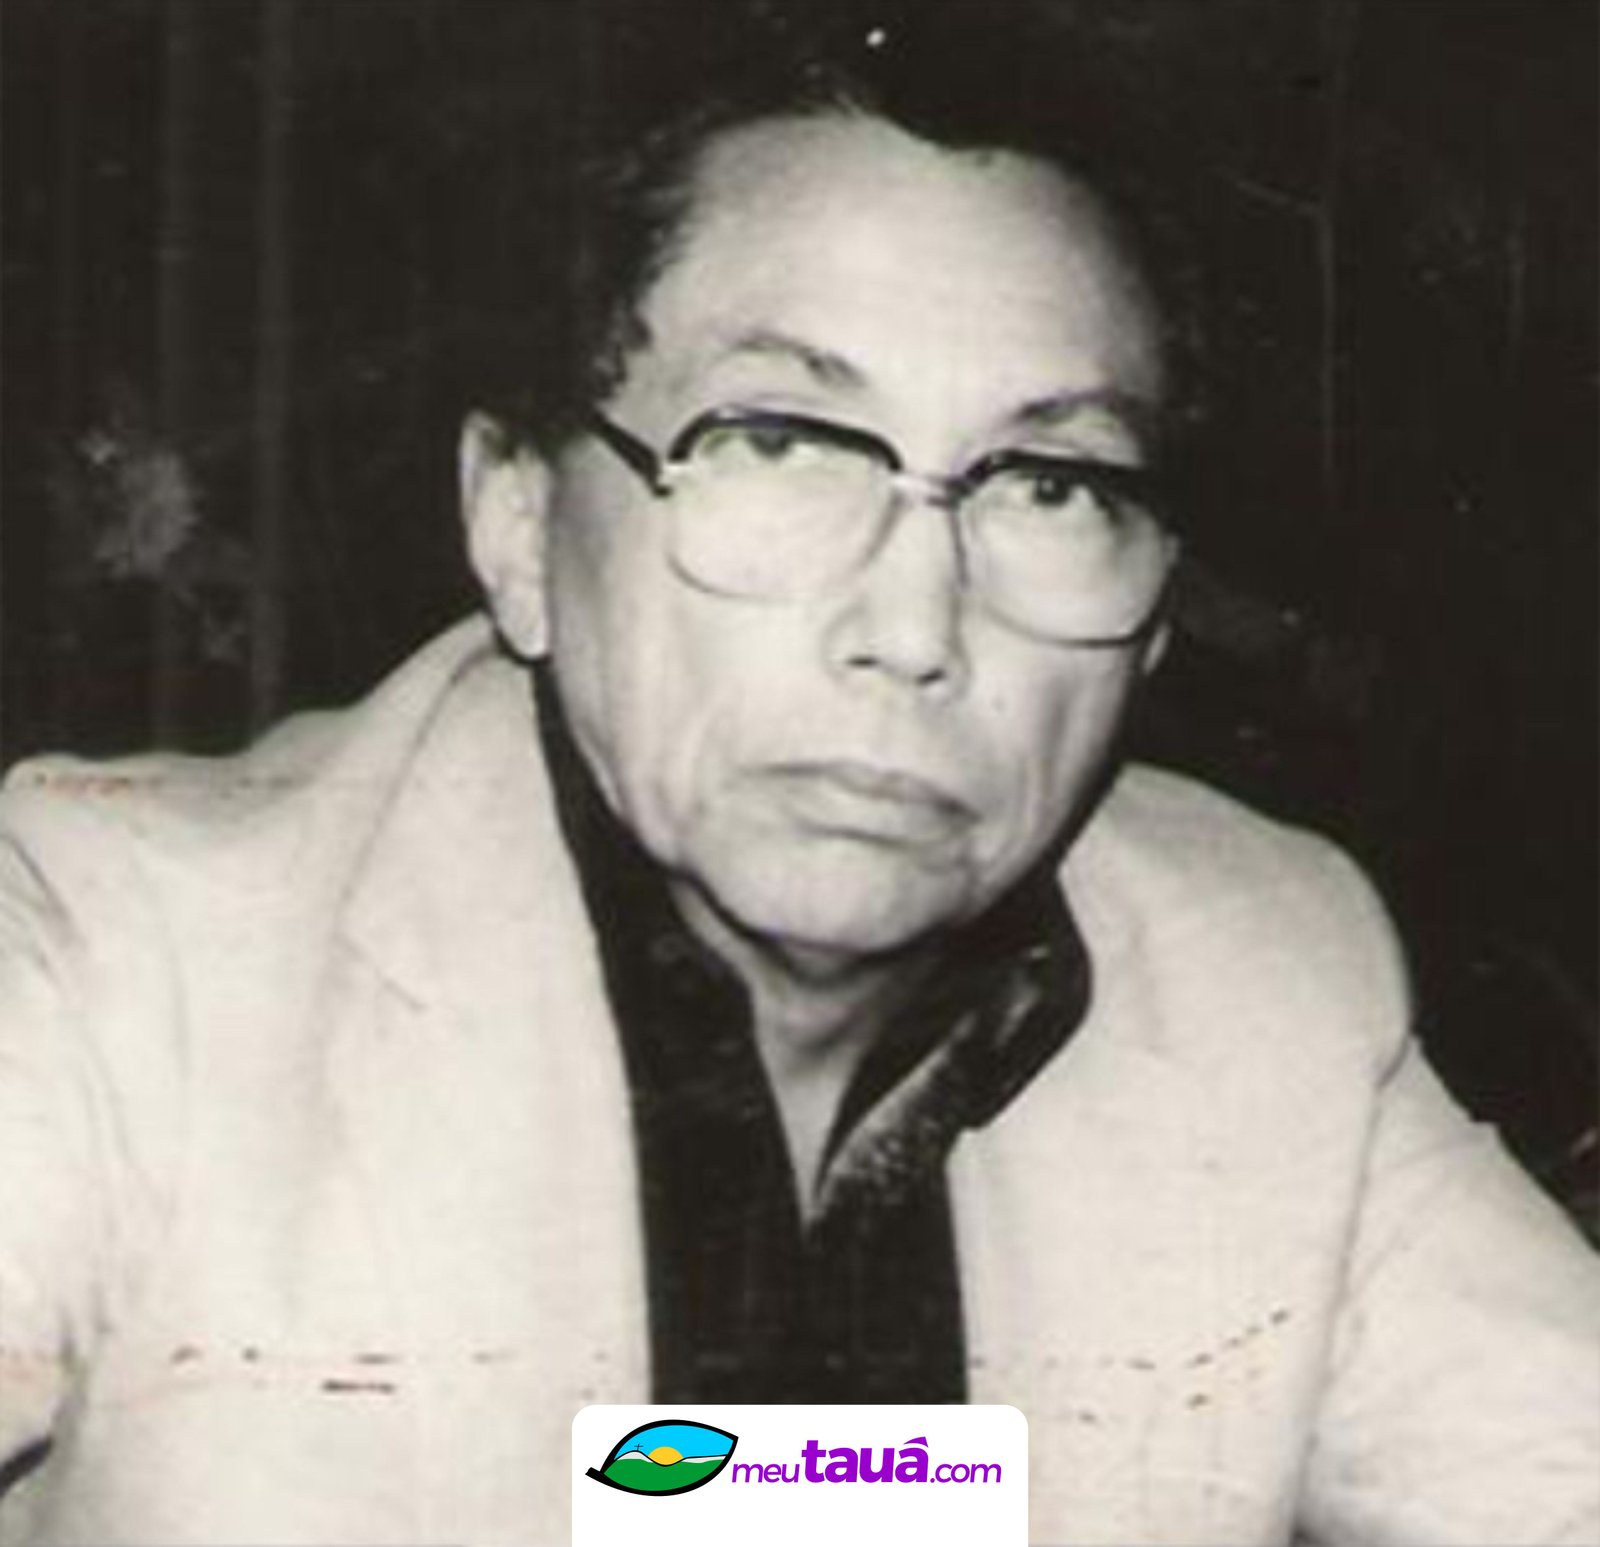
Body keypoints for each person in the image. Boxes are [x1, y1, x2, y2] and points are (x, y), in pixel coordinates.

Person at [1, 4, 1596, 1544]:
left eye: (1048, 486)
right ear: (519, 526)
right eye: (777, 443)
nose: (912, 629)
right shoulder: (128, 962)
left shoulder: (1270, 987)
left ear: (1162, 613)